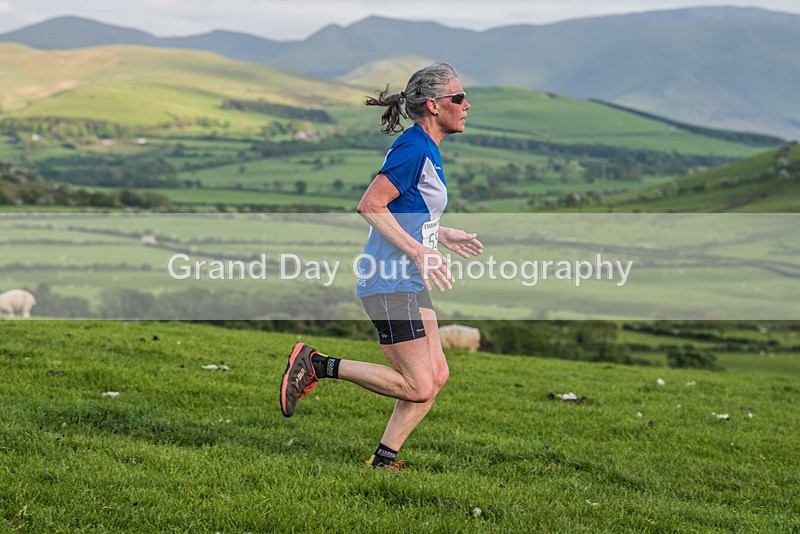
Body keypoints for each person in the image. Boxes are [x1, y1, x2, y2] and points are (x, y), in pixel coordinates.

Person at [280, 62, 483, 469]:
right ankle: (317, 364)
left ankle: (385, 460)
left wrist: (440, 233)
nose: (467, 105)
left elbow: (405, 207)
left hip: (407, 280)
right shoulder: (415, 147)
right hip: (390, 280)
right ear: (433, 105)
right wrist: (420, 250)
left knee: (436, 376)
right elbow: (370, 205)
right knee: (417, 385)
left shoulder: (427, 148)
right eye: (458, 98)